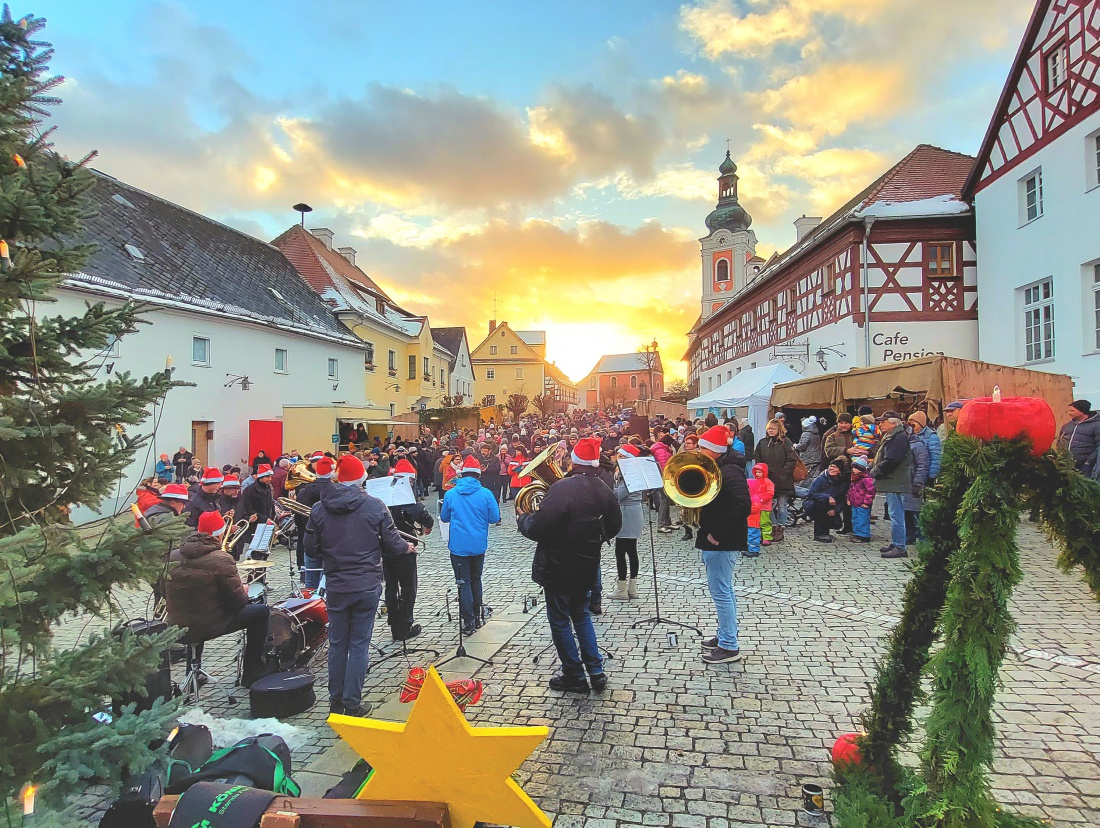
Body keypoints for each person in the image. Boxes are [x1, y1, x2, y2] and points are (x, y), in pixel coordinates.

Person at [304, 454, 413, 716]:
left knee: (338, 643)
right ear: (362, 478)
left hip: (337, 584)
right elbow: (393, 544)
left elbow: (310, 549)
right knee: (359, 644)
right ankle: (353, 703)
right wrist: (406, 547)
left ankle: (336, 700)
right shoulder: (374, 506)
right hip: (366, 583)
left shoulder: (320, 508)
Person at [518, 437, 622, 693]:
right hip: (587, 565)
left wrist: (523, 519)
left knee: (561, 620)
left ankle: (573, 674)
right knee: (582, 615)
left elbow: (540, 528)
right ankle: (596, 672)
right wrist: (593, 537)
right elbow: (615, 526)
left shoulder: (562, 488)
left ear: (574, 461)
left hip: (558, 565)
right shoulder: (604, 490)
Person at [165, 510, 272, 687]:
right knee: (260, 613)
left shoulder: (173, 556)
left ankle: (193, 673)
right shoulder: (221, 559)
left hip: (178, 623)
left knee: (194, 613)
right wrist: (243, 591)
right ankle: (252, 670)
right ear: (219, 533)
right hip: (209, 624)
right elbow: (238, 602)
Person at [694, 426, 751, 664]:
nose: (699, 451)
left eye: (703, 448)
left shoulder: (730, 473)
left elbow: (742, 506)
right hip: (717, 537)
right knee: (723, 590)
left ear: (715, 450)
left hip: (722, 540)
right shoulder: (721, 468)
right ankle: (725, 634)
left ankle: (729, 646)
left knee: (721, 592)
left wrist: (716, 533)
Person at [440, 455, 501, 635]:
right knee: (476, 579)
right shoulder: (486, 493)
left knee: (463, 582)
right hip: (478, 545)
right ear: (478, 475)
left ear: (462, 474)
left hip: (458, 546)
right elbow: (495, 518)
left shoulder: (451, 493)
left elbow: (444, 518)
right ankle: (478, 614)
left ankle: (468, 621)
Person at [384, 459, 433, 641]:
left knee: (390, 586)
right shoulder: (403, 491)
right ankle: (404, 626)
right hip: (405, 545)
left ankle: (393, 623)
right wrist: (428, 523)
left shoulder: (383, 490)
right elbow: (417, 512)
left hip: (385, 546)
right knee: (407, 586)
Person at [871, 412, 912, 559]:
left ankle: (900, 546)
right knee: (894, 514)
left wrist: (875, 471)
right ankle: (896, 543)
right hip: (892, 480)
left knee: (896, 515)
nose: (880, 424)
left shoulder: (899, 437)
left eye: (883, 422)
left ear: (893, 423)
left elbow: (892, 460)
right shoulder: (892, 436)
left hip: (895, 481)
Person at [609, 445, 643, 601]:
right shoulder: (625, 472)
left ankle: (622, 588)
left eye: (622, 456)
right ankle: (631, 588)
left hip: (628, 513)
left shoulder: (630, 473)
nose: (618, 458)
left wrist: (607, 490)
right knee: (630, 550)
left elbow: (619, 494)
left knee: (621, 551)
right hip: (632, 511)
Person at [754, 419, 796, 542]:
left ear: (778, 430)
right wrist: (761, 472)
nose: (770, 430)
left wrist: (783, 473)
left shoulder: (786, 443)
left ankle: (780, 527)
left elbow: (791, 460)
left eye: (773, 428)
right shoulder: (762, 443)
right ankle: (771, 526)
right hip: (766, 480)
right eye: (769, 428)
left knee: (782, 505)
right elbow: (757, 457)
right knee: (767, 506)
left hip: (783, 480)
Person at [298, 456, 336, 588]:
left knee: (310, 583)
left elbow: (297, 518)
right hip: (330, 539)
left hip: (309, 537)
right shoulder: (337, 491)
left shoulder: (304, 490)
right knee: (328, 581)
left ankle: (310, 604)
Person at [803, 458, 850, 543]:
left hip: (830, 507)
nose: (831, 468)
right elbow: (811, 494)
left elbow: (842, 499)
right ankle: (819, 534)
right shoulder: (821, 479)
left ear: (840, 471)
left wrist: (835, 510)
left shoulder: (843, 482)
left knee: (837, 524)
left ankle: (825, 532)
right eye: (830, 466)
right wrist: (827, 497)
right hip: (813, 505)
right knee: (822, 501)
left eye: (835, 467)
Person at [239, 464, 276, 557]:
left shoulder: (268, 488)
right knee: (256, 553)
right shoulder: (249, 490)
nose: (270, 479)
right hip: (255, 526)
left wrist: (275, 520)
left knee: (265, 552)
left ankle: (262, 570)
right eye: (268, 477)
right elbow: (247, 508)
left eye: (271, 476)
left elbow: (271, 505)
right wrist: (263, 518)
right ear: (261, 477)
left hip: (267, 525)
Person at [1058, 400, 1100, 476]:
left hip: (1087, 466)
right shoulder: (1067, 426)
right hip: (1067, 464)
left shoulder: (1096, 426)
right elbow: (1060, 441)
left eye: (1072, 411)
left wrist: (1088, 462)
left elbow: (1098, 447)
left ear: (1082, 411)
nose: (1069, 413)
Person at [904, 424, 930, 546]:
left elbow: (922, 466)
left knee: (916, 512)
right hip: (904, 483)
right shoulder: (904, 445)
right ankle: (909, 537)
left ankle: (923, 538)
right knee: (906, 512)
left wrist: (918, 483)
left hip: (913, 482)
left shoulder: (918, 445)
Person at [746, 463, 774, 557]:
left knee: (765, 522)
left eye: (759, 472)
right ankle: (760, 538)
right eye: (756, 472)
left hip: (765, 506)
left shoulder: (768, 482)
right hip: (757, 506)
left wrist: (761, 499)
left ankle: (767, 537)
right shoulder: (754, 482)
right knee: (756, 526)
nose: (757, 474)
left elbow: (770, 493)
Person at [847, 457, 876, 543]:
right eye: (853, 468)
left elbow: (870, 492)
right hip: (855, 503)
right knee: (855, 518)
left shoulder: (867, 479)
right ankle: (857, 533)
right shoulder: (855, 478)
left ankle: (863, 535)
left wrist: (867, 502)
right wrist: (849, 498)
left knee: (862, 519)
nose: (853, 470)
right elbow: (850, 490)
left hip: (862, 503)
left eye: (856, 468)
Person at [908, 411, 942, 484]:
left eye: (913, 424)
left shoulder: (931, 437)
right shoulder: (909, 437)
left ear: (921, 424)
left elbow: (936, 458)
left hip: (925, 476)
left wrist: (932, 476)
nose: (911, 427)